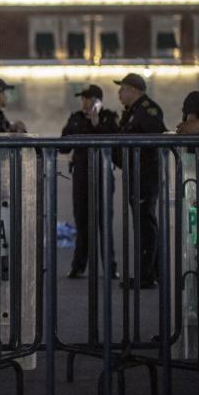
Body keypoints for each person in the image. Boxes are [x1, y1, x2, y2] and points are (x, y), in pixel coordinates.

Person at [114, 73, 167, 289]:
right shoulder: (134, 111)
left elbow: (155, 137)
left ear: (134, 90)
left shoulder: (147, 110)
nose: (119, 93)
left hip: (144, 175)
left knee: (145, 224)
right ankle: (153, 271)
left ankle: (146, 275)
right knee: (144, 223)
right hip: (135, 172)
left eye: (122, 89)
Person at [61, 85, 119, 279]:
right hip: (81, 175)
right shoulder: (76, 118)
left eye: (89, 99)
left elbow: (114, 140)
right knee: (82, 222)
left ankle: (110, 268)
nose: (84, 102)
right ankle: (78, 265)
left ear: (98, 101)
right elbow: (63, 146)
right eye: (83, 98)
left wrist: (95, 123)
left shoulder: (109, 117)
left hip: (102, 174)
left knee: (105, 223)